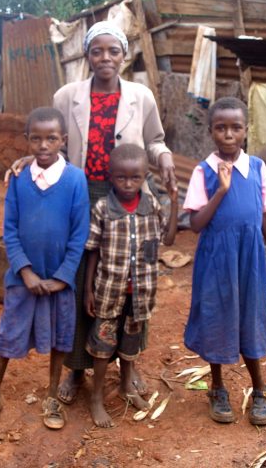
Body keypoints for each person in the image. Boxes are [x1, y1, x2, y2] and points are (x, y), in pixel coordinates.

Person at [6, 21, 177, 405]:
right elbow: (54, 143)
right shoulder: (68, 95)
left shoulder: (141, 96)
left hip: (128, 195)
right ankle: (76, 369)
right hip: (81, 195)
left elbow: (155, 140)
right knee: (84, 278)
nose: (105, 58)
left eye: (113, 51)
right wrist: (28, 159)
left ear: (123, 55)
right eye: (97, 51)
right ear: (87, 55)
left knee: (131, 281)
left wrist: (164, 160)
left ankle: (128, 368)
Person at [0, 107, 89, 432]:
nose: (43, 145)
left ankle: (52, 395)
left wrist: (61, 277)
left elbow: (79, 233)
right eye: (36, 138)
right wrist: (24, 271)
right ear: (26, 140)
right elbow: (9, 229)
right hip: (22, 281)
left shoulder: (75, 180)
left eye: (51, 138)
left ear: (62, 140)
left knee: (59, 339)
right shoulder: (19, 180)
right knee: (8, 336)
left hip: (59, 282)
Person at [183, 97, 266, 426]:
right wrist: (221, 191)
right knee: (217, 318)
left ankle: (260, 389)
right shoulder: (203, 171)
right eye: (221, 128)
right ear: (211, 131)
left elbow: (265, 216)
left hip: (250, 258)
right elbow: (196, 224)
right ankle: (217, 388)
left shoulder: (256, 168)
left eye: (235, 127)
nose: (228, 134)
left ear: (245, 131)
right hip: (216, 259)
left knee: (251, 318)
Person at [84, 144, 178, 427]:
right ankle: (97, 398)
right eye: (121, 178)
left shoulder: (153, 207)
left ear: (145, 176)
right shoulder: (103, 209)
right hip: (108, 291)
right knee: (102, 346)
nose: (128, 184)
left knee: (130, 346)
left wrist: (173, 202)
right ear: (110, 177)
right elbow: (93, 250)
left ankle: (126, 386)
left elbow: (170, 239)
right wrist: (88, 289)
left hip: (140, 293)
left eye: (135, 178)